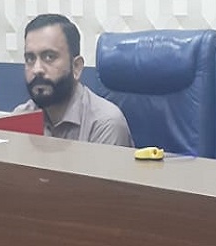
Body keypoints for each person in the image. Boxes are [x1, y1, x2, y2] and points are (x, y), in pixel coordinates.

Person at [13, 14, 133, 147]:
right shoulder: (20, 117)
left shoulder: (105, 124)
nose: (37, 69)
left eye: (49, 57)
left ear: (76, 67)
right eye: (30, 59)